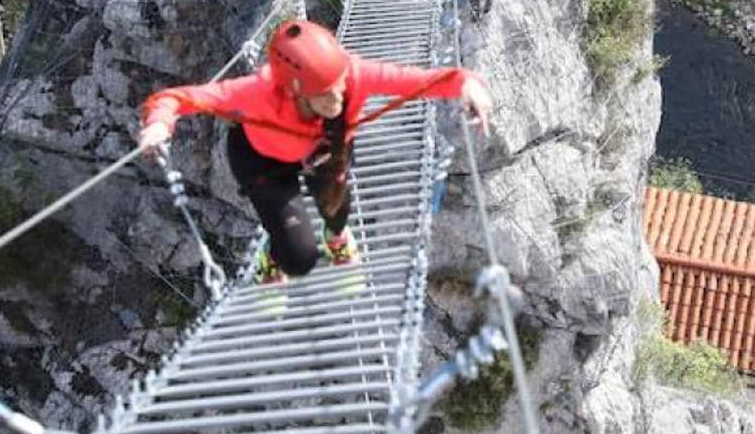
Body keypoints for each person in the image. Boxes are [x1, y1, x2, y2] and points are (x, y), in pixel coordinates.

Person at [138, 19, 491, 283]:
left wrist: (468, 84)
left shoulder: (354, 75)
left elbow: (419, 80)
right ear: (294, 92)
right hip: (263, 160)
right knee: (299, 259)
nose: (337, 99)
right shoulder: (257, 92)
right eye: (324, 94)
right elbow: (178, 98)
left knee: (337, 207)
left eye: (339, 87)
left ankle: (337, 236)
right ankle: (275, 252)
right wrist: (158, 124)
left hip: (327, 149)